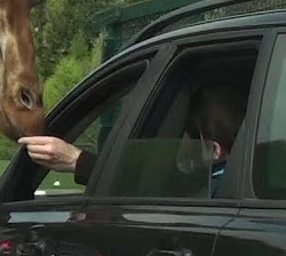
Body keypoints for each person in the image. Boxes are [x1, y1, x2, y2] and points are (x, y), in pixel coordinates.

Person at [19, 81, 246, 196]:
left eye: (186, 138)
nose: (180, 146)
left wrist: (74, 159)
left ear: (215, 151)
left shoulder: (208, 192)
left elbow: (149, 191)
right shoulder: (245, 184)